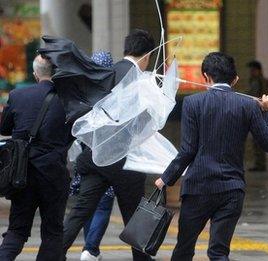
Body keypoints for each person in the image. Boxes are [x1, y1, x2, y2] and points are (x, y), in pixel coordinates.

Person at [154, 52, 268, 260]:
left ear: (206, 76)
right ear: (235, 79)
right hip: (231, 189)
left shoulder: (193, 103)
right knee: (219, 252)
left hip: (198, 189)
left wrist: (166, 178)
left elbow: (188, 150)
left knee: (184, 250)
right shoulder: (248, 106)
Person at [62, 29, 155, 261]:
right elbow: (144, 120)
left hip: (96, 156)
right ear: (146, 55)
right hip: (124, 160)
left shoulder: (103, 73)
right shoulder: (140, 80)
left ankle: (51, 253)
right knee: (134, 217)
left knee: (79, 212)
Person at [0, 55, 72, 260]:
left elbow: (4, 128)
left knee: (17, 230)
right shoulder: (67, 100)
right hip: (54, 174)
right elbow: (73, 134)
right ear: (56, 72)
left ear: (35, 73)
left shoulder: (17, 96)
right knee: (53, 232)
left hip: (22, 174)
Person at [68, 51, 115, 261]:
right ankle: (91, 248)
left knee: (87, 202)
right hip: (109, 155)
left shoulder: (82, 92)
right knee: (103, 204)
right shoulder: (116, 94)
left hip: (86, 157)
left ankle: (90, 249)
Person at [247, 60, 268, 171]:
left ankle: (260, 164)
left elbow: (257, 96)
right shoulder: (257, 81)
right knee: (257, 140)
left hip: (259, 113)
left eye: (252, 70)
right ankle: (259, 163)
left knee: (258, 140)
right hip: (258, 112)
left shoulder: (260, 82)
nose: (251, 72)